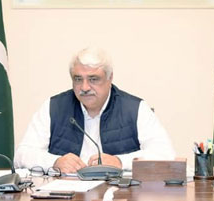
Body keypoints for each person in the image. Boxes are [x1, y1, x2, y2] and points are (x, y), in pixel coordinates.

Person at [14, 47, 175, 173]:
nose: (84, 87)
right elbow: (22, 155)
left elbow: (165, 153)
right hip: (65, 198)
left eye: (93, 79)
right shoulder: (54, 107)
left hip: (119, 198)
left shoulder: (135, 108)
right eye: (78, 79)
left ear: (110, 78)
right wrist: (54, 162)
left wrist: (119, 162)